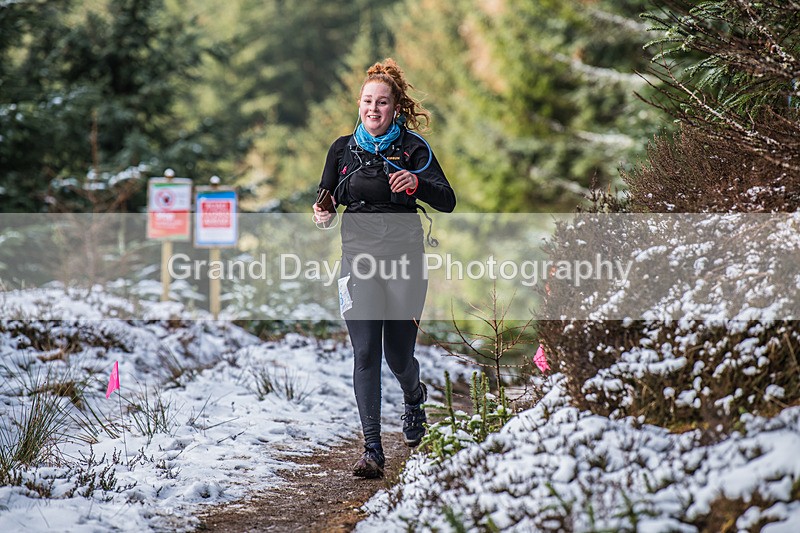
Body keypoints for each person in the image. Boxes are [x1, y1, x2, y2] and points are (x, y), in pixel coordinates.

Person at [312, 58, 456, 479]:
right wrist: (322, 214)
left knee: (398, 355)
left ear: (396, 108)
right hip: (357, 264)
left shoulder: (413, 150)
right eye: (366, 101)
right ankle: (372, 450)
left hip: (405, 263)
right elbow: (326, 201)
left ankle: (414, 396)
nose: (372, 108)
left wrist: (417, 183)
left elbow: (447, 199)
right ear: (359, 104)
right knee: (365, 352)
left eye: (381, 102)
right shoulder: (342, 150)